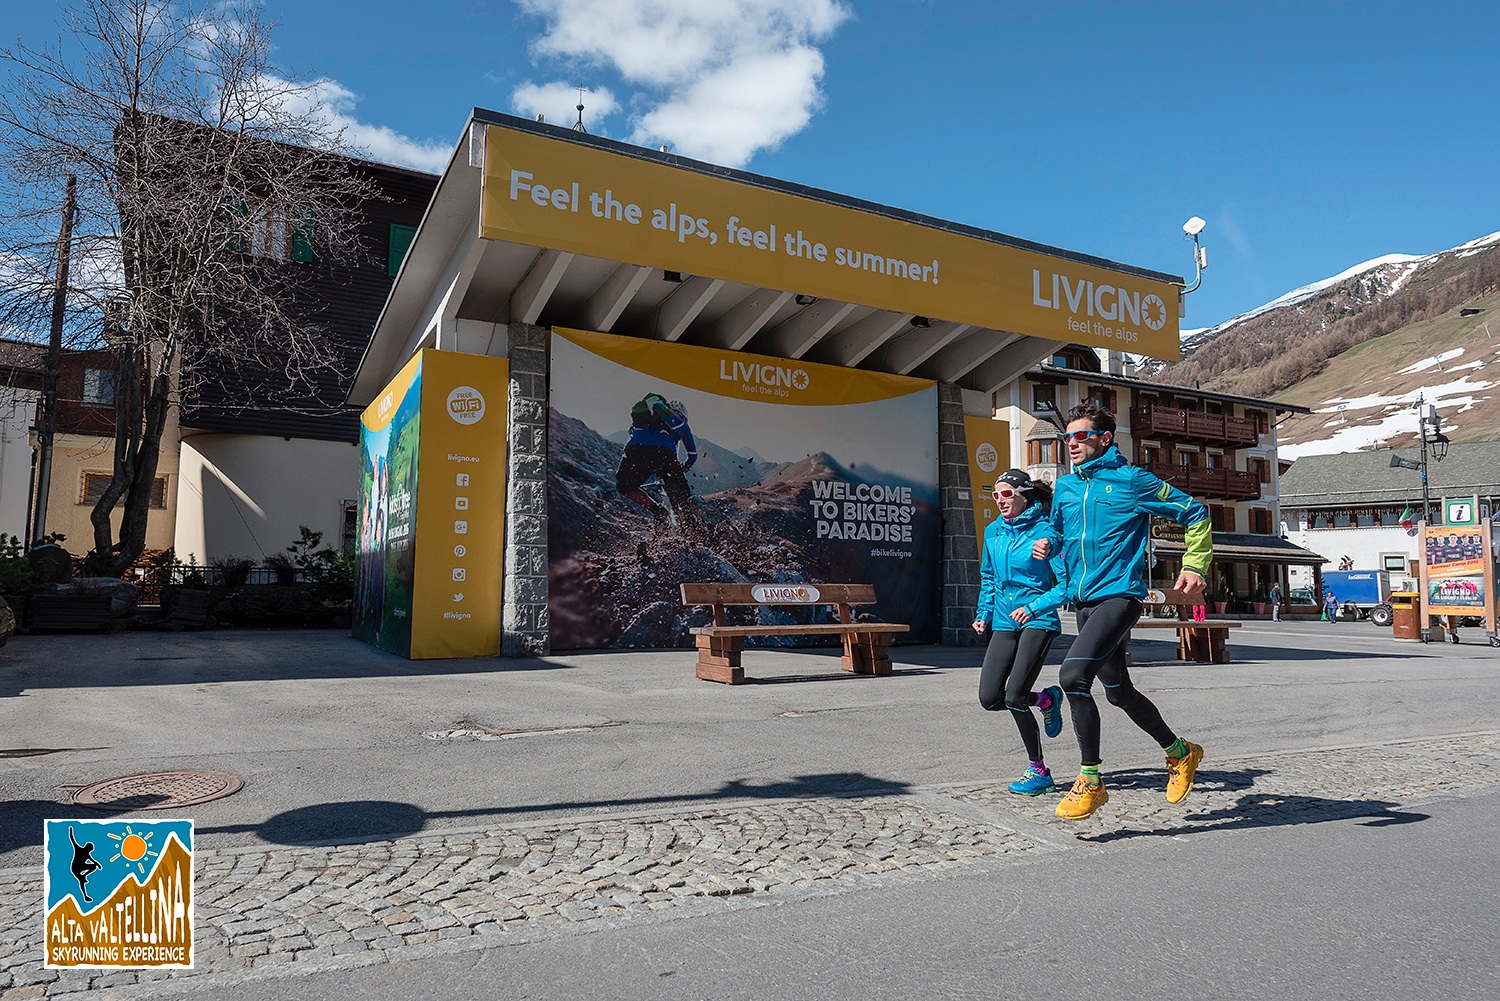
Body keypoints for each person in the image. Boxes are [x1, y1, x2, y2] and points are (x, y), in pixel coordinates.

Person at [1033, 403, 1212, 821]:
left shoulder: (1132, 481)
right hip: (1085, 602)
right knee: (1117, 691)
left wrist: (1194, 564)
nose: (1070, 444)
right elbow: (1059, 532)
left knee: (1072, 677)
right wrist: (1049, 544)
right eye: (1066, 437)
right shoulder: (1065, 488)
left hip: (1120, 597)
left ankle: (1091, 781)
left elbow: (1196, 513)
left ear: (1105, 439)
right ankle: (1180, 752)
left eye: (1079, 436)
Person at [972, 469, 1069, 796]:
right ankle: (1045, 699)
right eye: (996, 494)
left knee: (1014, 696)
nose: (1000, 500)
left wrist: (1033, 608)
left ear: (1024, 495)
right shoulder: (993, 533)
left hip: (1037, 621)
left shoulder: (1045, 533)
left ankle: (1038, 771)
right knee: (990, 698)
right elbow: (988, 577)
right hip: (1003, 620)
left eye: (1006, 494)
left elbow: (1066, 587)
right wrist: (983, 613)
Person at [616, 394, 703, 537]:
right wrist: (684, 467)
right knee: (682, 496)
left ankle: (657, 510)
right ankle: (692, 528)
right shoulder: (679, 422)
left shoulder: (645, 418)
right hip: (665, 453)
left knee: (625, 486)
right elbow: (692, 455)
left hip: (635, 449)